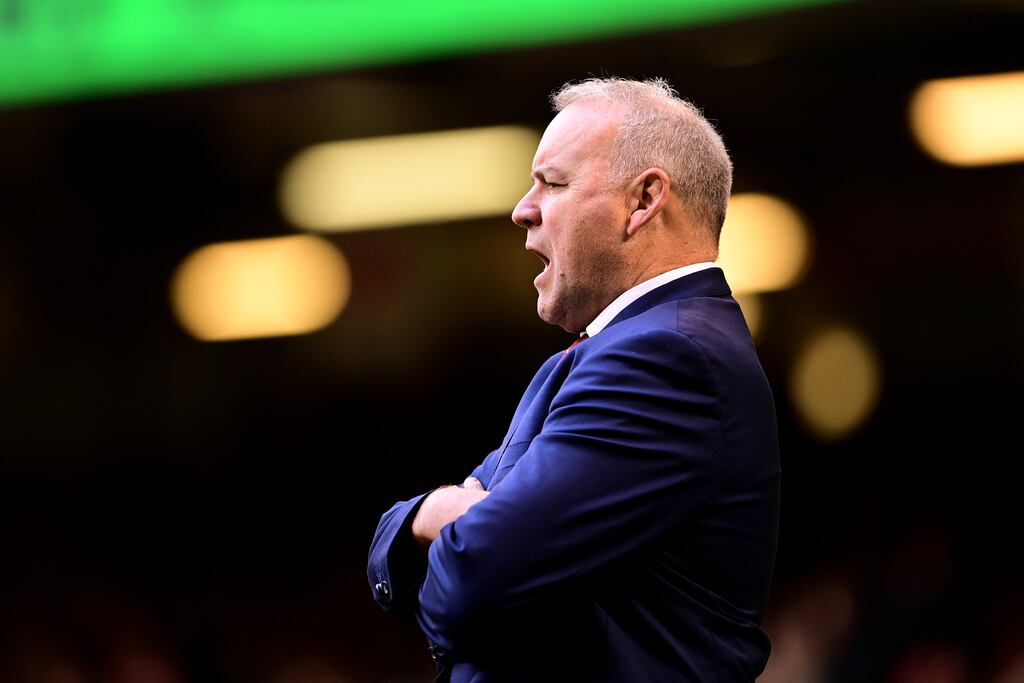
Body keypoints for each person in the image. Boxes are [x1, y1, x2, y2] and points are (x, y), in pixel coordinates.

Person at [368, 77, 780, 682]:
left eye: (553, 183)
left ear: (643, 202)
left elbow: (471, 580)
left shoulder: (664, 358)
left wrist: (446, 516)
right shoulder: (624, 351)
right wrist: (435, 511)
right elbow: (410, 559)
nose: (522, 209)